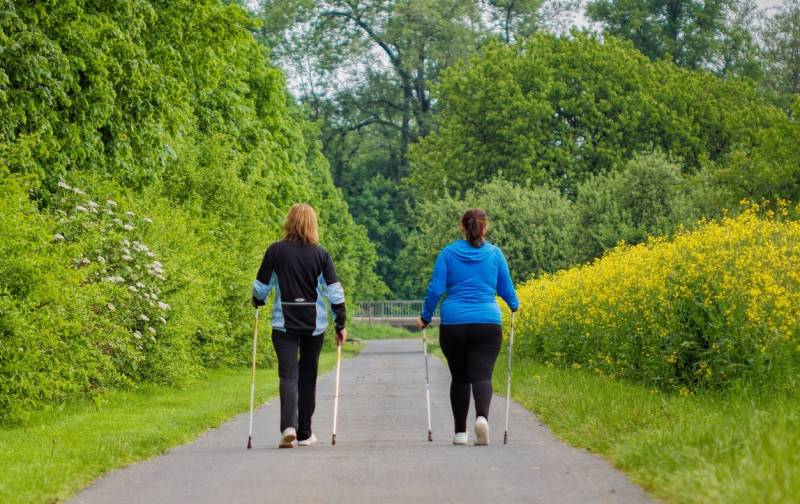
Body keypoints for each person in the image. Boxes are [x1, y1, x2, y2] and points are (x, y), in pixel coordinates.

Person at [417, 208, 518, 446]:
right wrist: (514, 305)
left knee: (460, 378)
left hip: (454, 325)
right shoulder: (495, 254)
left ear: (462, 227)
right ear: (485, 227)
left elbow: (436, 289)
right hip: (487, 323)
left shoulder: (448, 253)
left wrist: (425, 316)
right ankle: (482, 418)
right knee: (482, 375)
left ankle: (460, 433)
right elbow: (506, 290)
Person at [251, 203, 347, 449]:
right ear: (313, 224)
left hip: (284, 324)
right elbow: (334, 292)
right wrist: (340, 323)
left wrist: (257, 300)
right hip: (313, 325)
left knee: (288, 374)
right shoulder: (321, 255)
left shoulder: (275, 251)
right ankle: (305, 432)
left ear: (288, 222)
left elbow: (261, 286)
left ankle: (288, 427)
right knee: (308, 376)